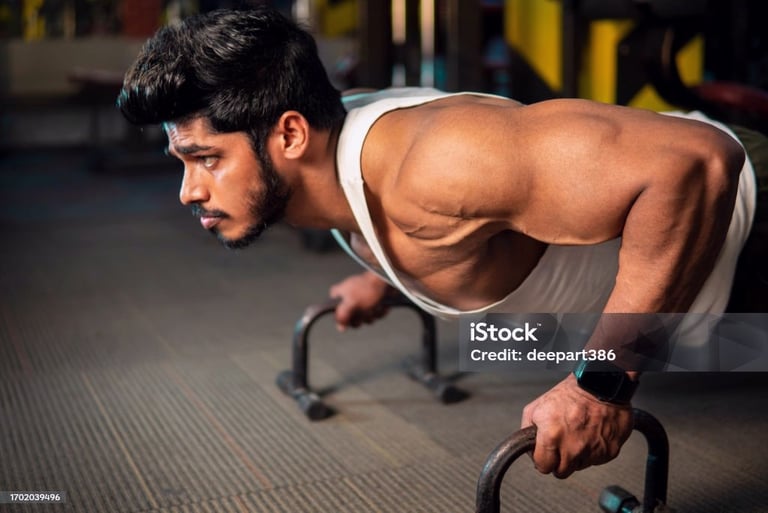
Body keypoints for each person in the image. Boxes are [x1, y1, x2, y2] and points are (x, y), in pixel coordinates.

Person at [117, 7, 766, 479]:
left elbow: (696, 163)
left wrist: (602, 383)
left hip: (743, 224)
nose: (188, 191)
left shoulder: (436, 163)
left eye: (204, 158)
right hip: (697, 295)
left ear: (289, 135)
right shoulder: (338, 160)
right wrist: (385, 273)